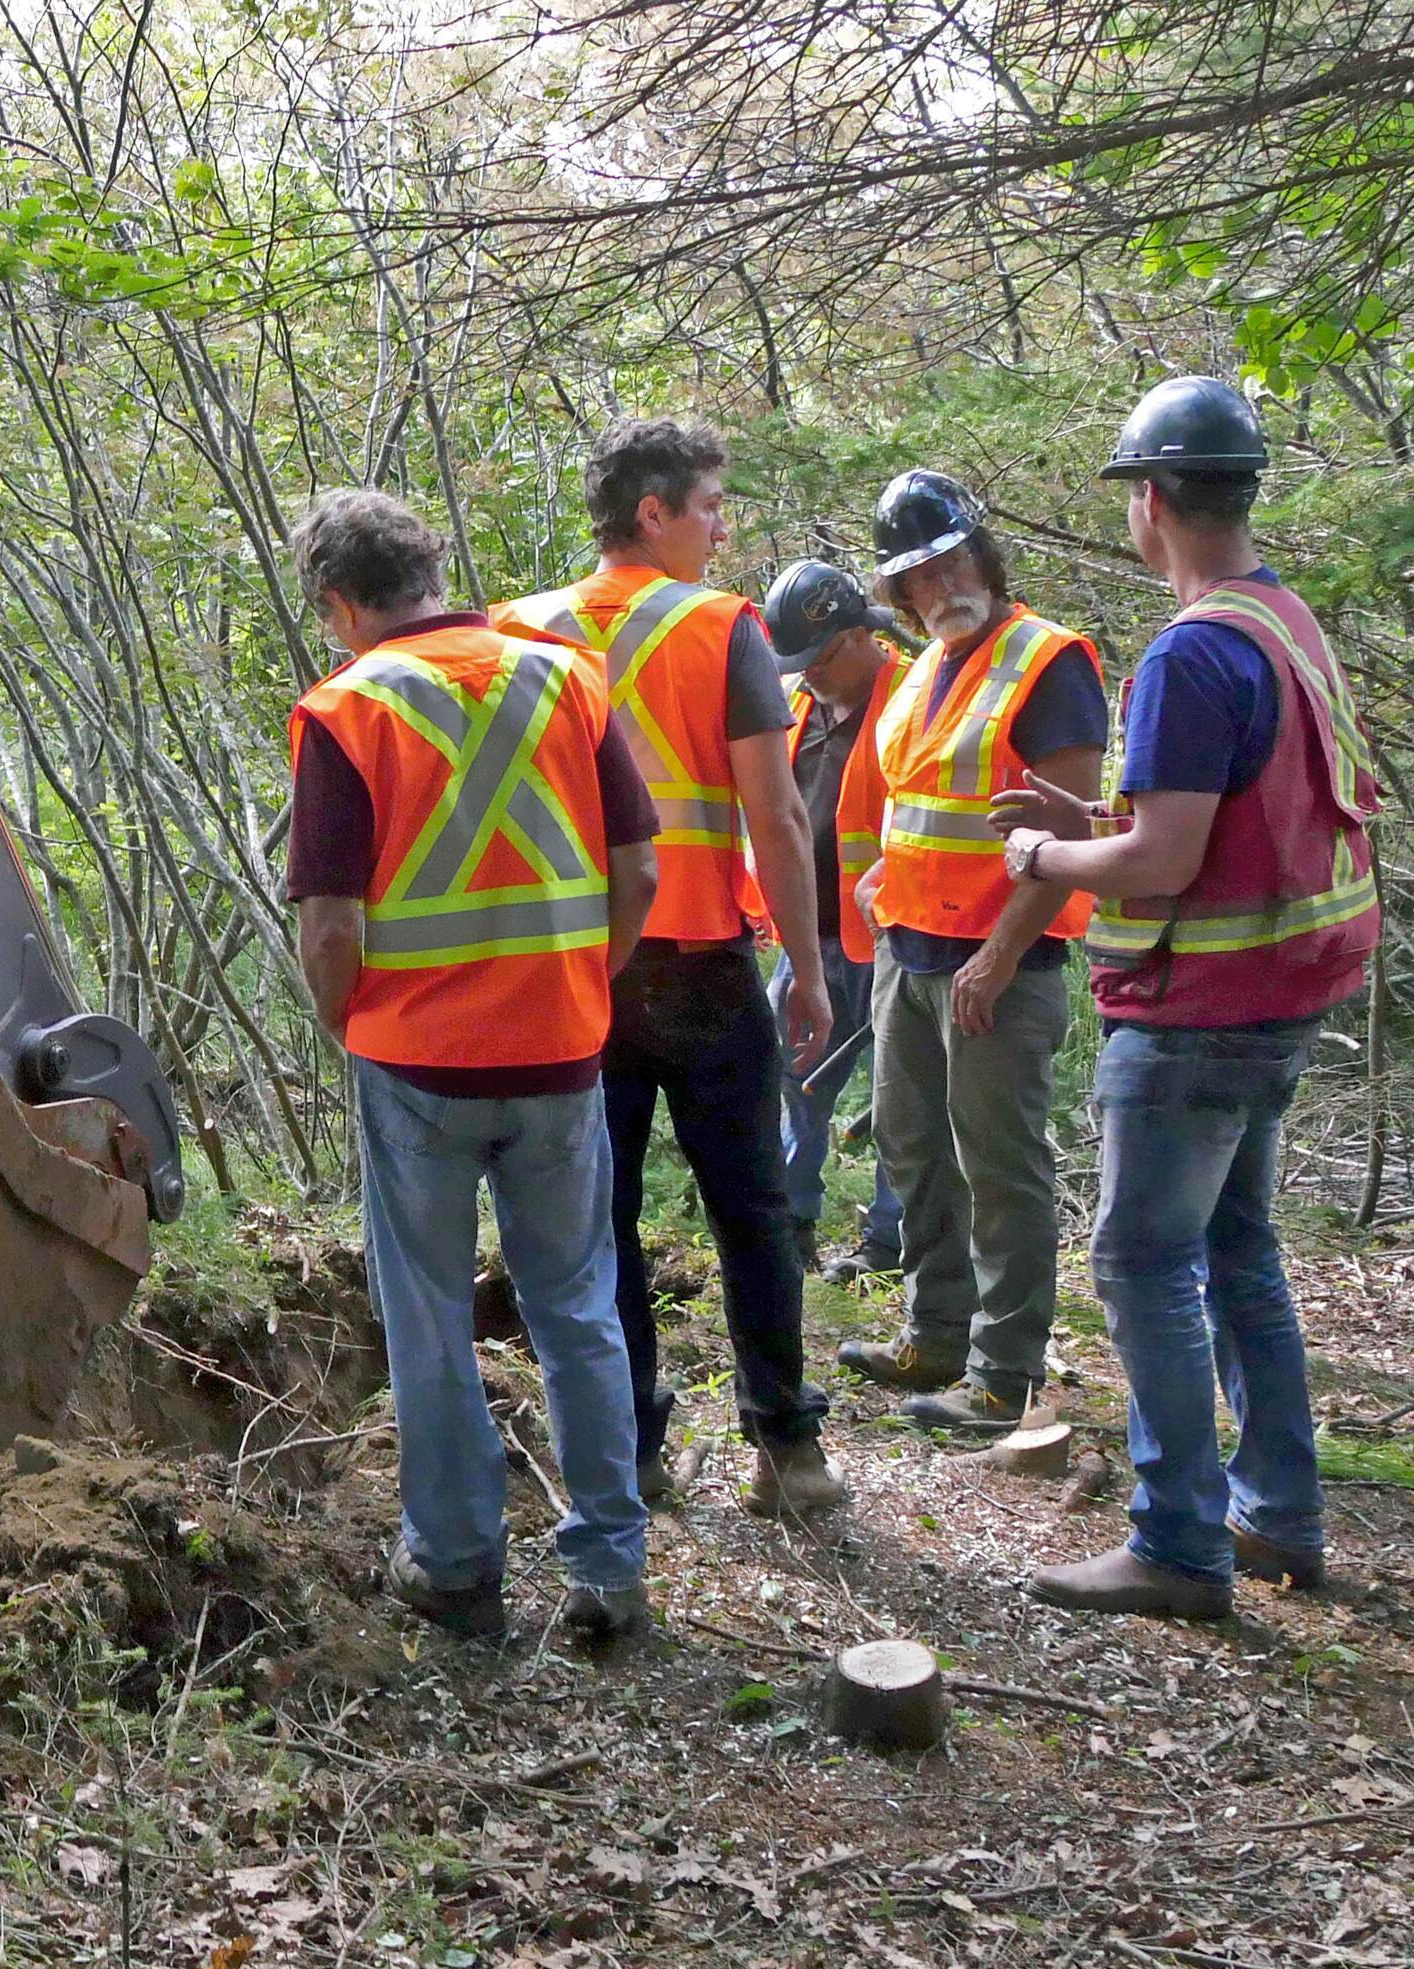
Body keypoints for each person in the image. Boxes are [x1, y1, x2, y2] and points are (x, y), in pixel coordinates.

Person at [994, 378, 1383, 1618]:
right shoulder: (1283, 624)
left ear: (1148, 501)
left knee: (1141, 1258)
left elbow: (1163, 865)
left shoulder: (1190, 650)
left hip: (1195, 1013)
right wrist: (1094, 819)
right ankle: (1279, 1516)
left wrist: (1044, 859)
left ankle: (1176, 1543)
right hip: (1278, 996)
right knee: (1236, 1251)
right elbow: (1211, 824)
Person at [288, 488, 663, 1644]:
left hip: (416, 1062)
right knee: (577, 1306)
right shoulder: (563, 677)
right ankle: (609, 1565)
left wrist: (344, 1021)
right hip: (559, 1048)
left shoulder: (346, 710)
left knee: (431, 1320)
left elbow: (328, 924)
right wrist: (581, 984)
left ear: (340, 603)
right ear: (432, 572)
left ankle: (454, 1566)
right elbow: (638, 869)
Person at [501, 417, 844, 1519]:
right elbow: (776, 816)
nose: (719, 527)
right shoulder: (720, 628)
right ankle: (786, 1454)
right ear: (651, 513)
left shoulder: (518, 629)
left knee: (595, 1224)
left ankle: (630, 1452)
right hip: (697, 964)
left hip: (574, 973)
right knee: (749, 1208)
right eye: (706, 506)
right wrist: (804, 963)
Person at [831, 471, 1109, 1435]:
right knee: (913, 1150)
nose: (941, 583)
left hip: (995, 965)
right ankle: (937, 1330)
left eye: (952, 559)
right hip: (908, 955)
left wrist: (995, 958)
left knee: (999, 1164)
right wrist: (877, 888)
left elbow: (1068, 833)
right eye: (917, 574)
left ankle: (1005, 1372)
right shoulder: (921, 670)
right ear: (899, 593)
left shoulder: (1046, 660)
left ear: (983, 555)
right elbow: (908, 807)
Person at [748, 560, 908, 1283]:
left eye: (812, 661)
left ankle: (889, 1239)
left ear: (853, 639)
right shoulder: (797, 707)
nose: (803, 676)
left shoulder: (912, 697)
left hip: (887, 935)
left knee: (897, 1091)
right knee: (797, 1076)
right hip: (805, 935)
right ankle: (793, 1223)